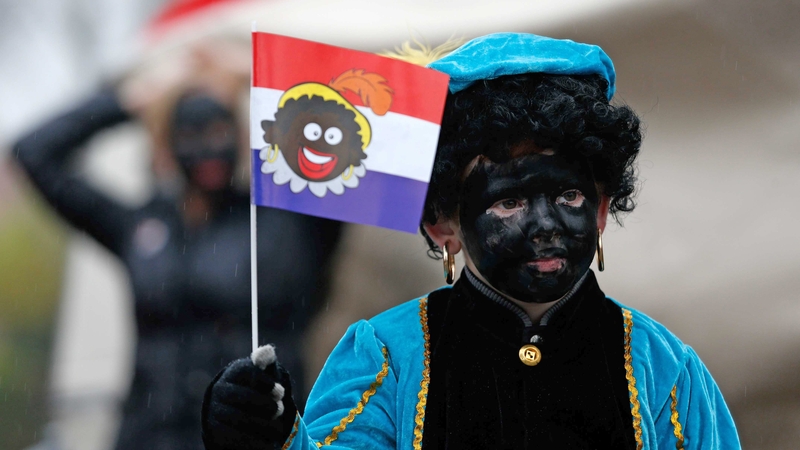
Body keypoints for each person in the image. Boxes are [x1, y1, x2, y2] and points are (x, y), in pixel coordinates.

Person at [200, 33, 741, 449]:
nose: (547, 224)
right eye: (510, 202)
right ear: (443, 224)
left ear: (601, 209)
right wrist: (263, 434)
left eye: (571, 196)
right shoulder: (384, 358)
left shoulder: (665, 368)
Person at [14, 82, 341, 448]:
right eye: (189, 134)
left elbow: (348, 143)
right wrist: (124, 102)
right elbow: (33, 153)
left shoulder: (287, 223)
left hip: (254, 434)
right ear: (165, 144)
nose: (207, 148)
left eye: (220, 131)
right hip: (150, 434)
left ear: (241, 134)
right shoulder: (142, 226)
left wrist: (261, 81)